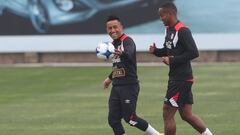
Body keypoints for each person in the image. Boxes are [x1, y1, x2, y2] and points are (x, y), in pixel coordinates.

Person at [149, 2, 213, 135]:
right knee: (186, 115)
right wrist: (156, 51)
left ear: (171, 14)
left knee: (167, 113)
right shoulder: (168, 29)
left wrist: (172, 60)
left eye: (162, 15)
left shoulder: (182, 30)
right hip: (179, 78)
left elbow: (194, 52)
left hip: (181, 79)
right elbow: (169, 50)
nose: (160, 18)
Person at [103, 15, 160, 135]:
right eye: (109, 28)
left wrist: (122, 53)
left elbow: (129, 55)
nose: (112, 30)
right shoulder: (112, 44)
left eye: (115, 27)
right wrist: (109, 78)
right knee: (113, 120)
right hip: (117, 87)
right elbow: (118, 65)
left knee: (130, 118)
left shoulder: (127, 41)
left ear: (121, 27)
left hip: (129, 86)